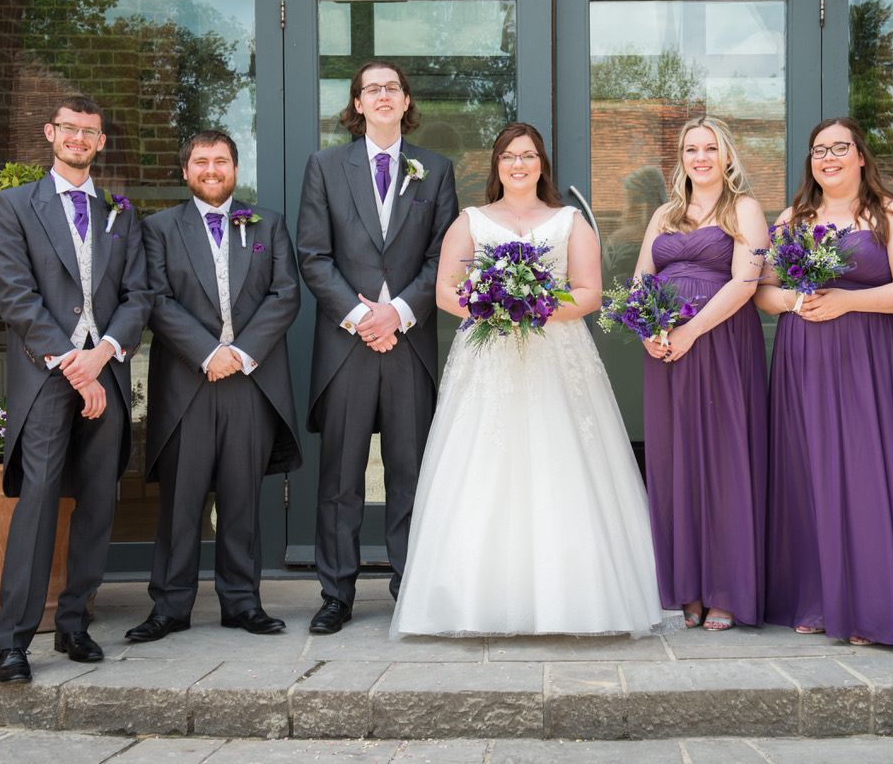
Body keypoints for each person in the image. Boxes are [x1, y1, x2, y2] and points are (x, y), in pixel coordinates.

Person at [390, 122, 670, 637]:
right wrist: (494, 305)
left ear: (542, 163)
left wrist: (534, 308)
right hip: (488, 363)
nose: (518, 165)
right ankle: (478, 603)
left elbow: (587, 294)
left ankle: (575, 602)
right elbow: (447, 293)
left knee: (559, 464)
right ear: (497, 167)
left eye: (527, 155)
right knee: (484, 468)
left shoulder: (569, 222)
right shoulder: (470, 222)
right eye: (508, 157)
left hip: (556, 356)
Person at [756, 117, 893, 649]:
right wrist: (797, 301)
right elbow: (763, 291)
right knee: (810, 470)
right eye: (819, 150)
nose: (829, 158)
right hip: (804, 357)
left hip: (870, 359)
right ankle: (816, 597)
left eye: (840, 148)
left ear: (861, 156)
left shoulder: (890, 214)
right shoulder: (793, 217)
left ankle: (873, 605)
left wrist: (847, 300)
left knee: (867, 471)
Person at [0, 96, 150, 683]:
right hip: (48, 375)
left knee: (99, 503)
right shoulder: (14, 206)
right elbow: (14, 292)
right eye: (70, 129)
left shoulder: (119, 213)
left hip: (105, 372)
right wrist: (71, 362)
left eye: (91, 132)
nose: (79, 139)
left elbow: (138, 296)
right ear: (51, 133)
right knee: (38, 503)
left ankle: (75, 622)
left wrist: (103, 354)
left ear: (101, 142)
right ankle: (12, 641)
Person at [297, 61, 459, 634]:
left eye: (393, 88)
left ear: (406, 100)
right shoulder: (324, 166)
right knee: (339, 475)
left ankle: (408, 585)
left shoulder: (435, 170)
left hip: (409, 341)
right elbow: (313, 256)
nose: (384, 96)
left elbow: (444, 257)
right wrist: (365, 316)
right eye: (373, 89)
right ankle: (335, 592)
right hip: (348, 344)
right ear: (358, 104)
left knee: (409, 471)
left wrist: (401, 313)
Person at [124, 131, 301, 643]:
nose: (211, 169)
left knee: (242, 496)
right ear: (185, 172)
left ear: (235, 168)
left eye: (220, 161)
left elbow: (284, 295)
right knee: (182, 499)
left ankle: (243, 602)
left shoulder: (269, 223)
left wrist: (241, 354)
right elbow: (155, 299)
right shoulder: (157, 228)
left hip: (250, 379)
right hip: (188, 380)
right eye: (201, 161)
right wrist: (209, 353)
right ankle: (170, 605)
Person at [636, 116, 770, 631]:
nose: (701, 157)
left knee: (723, 460)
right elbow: (641, 278)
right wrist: (647, 327)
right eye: (691, 149)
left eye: (710, 148)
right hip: (666, 352)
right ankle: (688, 587)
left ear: (727, 155)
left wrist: (692, 330)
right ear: (682, 158)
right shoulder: (665, 213)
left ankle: (727, 589)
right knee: (676, 463)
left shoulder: (745, 209)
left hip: (721, 344)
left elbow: (745, 282)